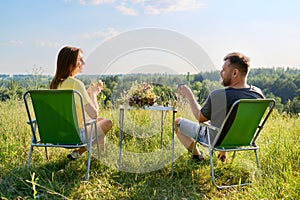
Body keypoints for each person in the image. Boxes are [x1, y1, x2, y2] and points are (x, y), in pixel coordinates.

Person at [175, 52, 264, 163]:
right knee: (220, 121)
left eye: (224, 70)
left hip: (216, 140)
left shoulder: (219, 96)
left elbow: (200, 118)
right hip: (242, 139)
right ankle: (222, 155)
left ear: (234, 73)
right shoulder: (258, 94)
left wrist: (189, 94)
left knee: (177, 122)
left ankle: (197, 157)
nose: (220, 73)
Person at [50, 46, 112, 160]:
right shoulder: (76, 84)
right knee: (107, 123)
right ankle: (84, 153)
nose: (83, 62)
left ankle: (95, 155)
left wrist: (89, 94)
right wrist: (93, 94)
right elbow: (94, 114)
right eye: (80, 59)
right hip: (74, 136)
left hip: (55, 134)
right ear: (70, 63)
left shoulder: (54, 84)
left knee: (100, 121)